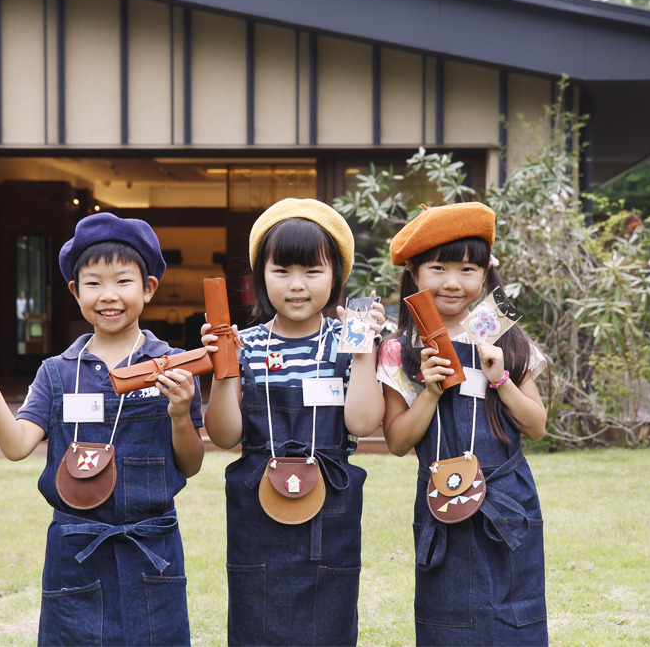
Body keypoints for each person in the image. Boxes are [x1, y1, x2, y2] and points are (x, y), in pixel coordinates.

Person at [0, 212, 204, 646]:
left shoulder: (172, 364)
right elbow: (16, 446)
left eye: (123, 281)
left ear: (149, 287)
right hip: (75, 549)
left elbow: (190, 465)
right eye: (94, 283)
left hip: (152, 546)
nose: (108, 295)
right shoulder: (56, 372)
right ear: (74, 292)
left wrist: (179, 413)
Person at [201, 198, 385, 646]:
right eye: (281, 271)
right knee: (255, 621)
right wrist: (224, 367)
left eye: (312, 271)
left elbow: (361, 422)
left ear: (337, 277)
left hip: (331, 512)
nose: (296, 285)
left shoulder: (348, 343)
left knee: (330, 623)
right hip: (256, 510)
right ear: (260, 275)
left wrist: (364, 352)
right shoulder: (243, 344)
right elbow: (225, 436)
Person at [376, 202, 549, 646]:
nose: (453, 282)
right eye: (438, 267)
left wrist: (502, 380)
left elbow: (536, 425)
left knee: (516, 616)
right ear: (414, 272)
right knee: (446, 622)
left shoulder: (504, 334)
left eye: (468, 269)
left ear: (486, 275)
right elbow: (397, 441)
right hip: (441, 503)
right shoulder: (400, 349)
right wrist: (430, 391)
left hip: (509, 502)